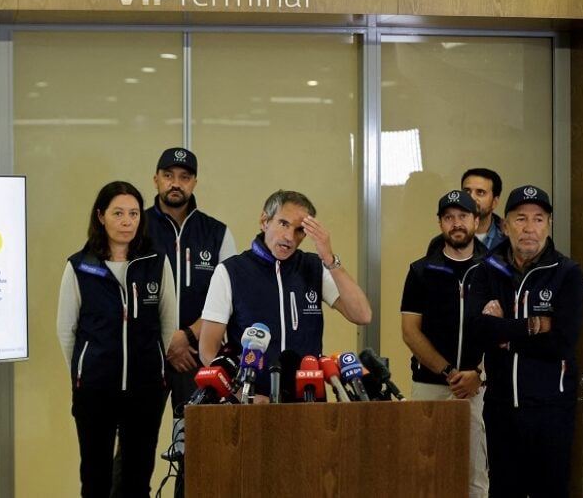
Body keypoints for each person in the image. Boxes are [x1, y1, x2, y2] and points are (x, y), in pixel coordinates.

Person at [57, 181, 178, 498]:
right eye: (118, 213)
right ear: (101, 216)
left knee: (137, 479)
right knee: (95, 478)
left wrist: (161, 374)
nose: (127, 221)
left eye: (134, 213)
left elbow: (169, 323)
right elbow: (66, 330)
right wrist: (86, 370)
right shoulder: (80, 267)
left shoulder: (155, 262)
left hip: (145, 389)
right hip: (96, 390)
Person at [466, 185, 583, 498]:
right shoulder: (486, 271)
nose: (529, 228)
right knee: (504, 489)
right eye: (520, 219)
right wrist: (533, 325)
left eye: (538, 219)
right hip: (500, 406)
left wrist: (504, 334)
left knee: (550, 490)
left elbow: (562, 342)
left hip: (551, 407)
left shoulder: (567, 273)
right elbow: (478, 329)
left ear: (548, 225)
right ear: (505, 225)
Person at [198, 189, 372, 396]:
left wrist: (329, 259)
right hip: (252, 401)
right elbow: (207, 349)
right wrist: (241, 395)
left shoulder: (314, 267)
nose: (289, 237)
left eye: (299, 230)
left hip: (308, 400)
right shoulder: (230, 271)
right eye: (283, 224)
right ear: (264, 221)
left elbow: (362, 315)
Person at [146, 147, 236, 460]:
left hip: (197, 359)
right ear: (155, 179)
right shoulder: (136, 230)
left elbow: (228, 300)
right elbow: (124, 298)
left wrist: (187, 337)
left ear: (194, 183)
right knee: (134, 454)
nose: (175, 183)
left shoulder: (217, 233)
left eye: (184, 177)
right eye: (168, 176)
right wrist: (167, 340)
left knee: (194, 455)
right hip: (147, 358)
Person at [400, 190, 489, 498]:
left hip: (479, 388)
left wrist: (479, 374)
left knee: (475, 478)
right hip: (430, 385)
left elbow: (503, 332)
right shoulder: (421, 271)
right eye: (449, 218)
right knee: (426, 471)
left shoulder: (496, 270)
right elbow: (411, 332)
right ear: (440, 224)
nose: (456, 224)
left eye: (463, 216)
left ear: (476, 221)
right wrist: (450, 372)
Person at [461, 168, 505, 250]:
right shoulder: (447, 238)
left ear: (494, 202)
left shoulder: (507, 239)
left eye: (480, 192)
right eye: (466, 191)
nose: (471, 197)